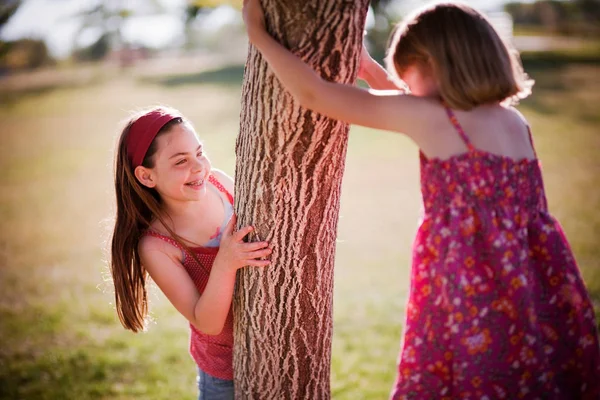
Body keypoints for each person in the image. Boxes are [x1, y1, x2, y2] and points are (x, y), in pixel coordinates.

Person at [242, 0, 600, 398]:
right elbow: (405, 101)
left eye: (408, 81)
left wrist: (259, 34)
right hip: (532, 286)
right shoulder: (514, 122)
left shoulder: (436, 119)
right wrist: (365, 67)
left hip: (470, 289)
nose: (405, 91)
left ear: (432, 64)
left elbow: (314, 93)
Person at [109, 106, 272, 399]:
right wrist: (225, 262)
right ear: (147, 177)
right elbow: (207, 322)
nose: (198, 167)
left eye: (199, 152)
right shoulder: (157, 245)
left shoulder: (221, 185)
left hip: (273, 352)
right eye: (181, 161)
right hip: (226, 374)